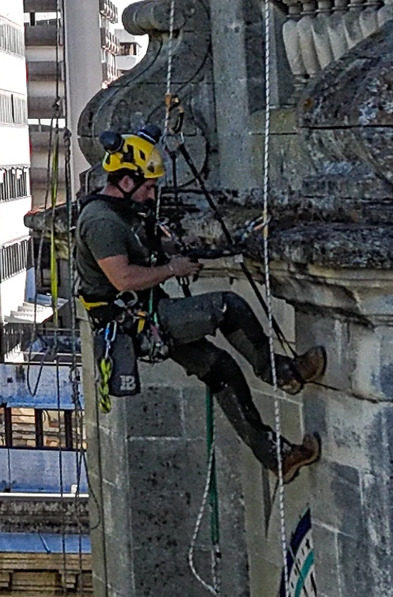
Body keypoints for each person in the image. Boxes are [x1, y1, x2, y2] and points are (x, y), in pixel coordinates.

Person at [76, 132, 324, 482]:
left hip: (146, 313)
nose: (152, 193)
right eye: (148, 186)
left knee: (221, 370)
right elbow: (124, 279)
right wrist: (171, 269)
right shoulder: (101, 221)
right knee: (227, 307)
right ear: (127, 180)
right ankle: (280, 372)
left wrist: (171, 251)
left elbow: (146, 252)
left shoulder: (127, 211)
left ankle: (276, 456)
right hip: (136, 321)